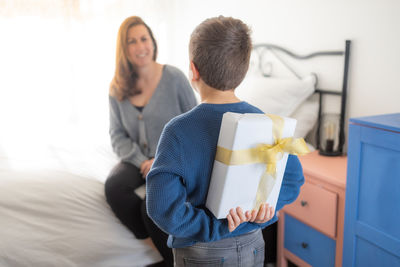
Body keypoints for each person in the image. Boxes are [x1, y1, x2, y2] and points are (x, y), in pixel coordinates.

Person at [146, 16, 305, 266]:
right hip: (253, 244)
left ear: (193, 70)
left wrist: (216, 226)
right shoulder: (267, 123)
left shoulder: (177, 131)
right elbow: (293, 180)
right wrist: (263, 213)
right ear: (243, 70)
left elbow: (163, 208)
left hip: (201, 251)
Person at [104, 16, 197, 267]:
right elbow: (116, 135)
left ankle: (175, 260)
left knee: (151, 204)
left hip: (172, 158)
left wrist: (160, 161)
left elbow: (195, 125)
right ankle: (153, 244)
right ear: (123, 49)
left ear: (153, 42)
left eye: (143, 38)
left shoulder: (174, 78)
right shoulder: (117, 87)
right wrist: (141, 160)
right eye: (131, 41)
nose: (140, 46)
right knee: (114, 188)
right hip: (138, 159)